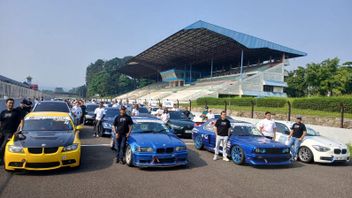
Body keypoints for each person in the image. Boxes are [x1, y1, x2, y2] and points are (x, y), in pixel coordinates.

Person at [0, 98, 22, 164]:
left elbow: (22, 121)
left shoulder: (16, 112)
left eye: (12, 103)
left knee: (3, 147)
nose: (11, 104)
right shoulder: (3, 112)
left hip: (10, 133)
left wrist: (18, 131)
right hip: (2, 132)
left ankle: (3, 160)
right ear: (6, 104)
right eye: (9, 103)